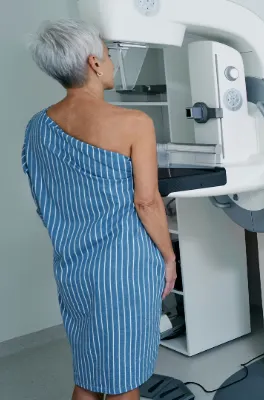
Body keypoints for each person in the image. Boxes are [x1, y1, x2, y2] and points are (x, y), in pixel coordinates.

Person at [21, 19, 177, 400]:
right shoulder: (134, 123)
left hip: (73, 268)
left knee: (89, 376)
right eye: (109, 55)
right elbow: (147, 202)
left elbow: (45, 201)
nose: (112, 63)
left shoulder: (37, 128)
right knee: (124, 382)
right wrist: (169, 257)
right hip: (123, 271)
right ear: (94, 63)